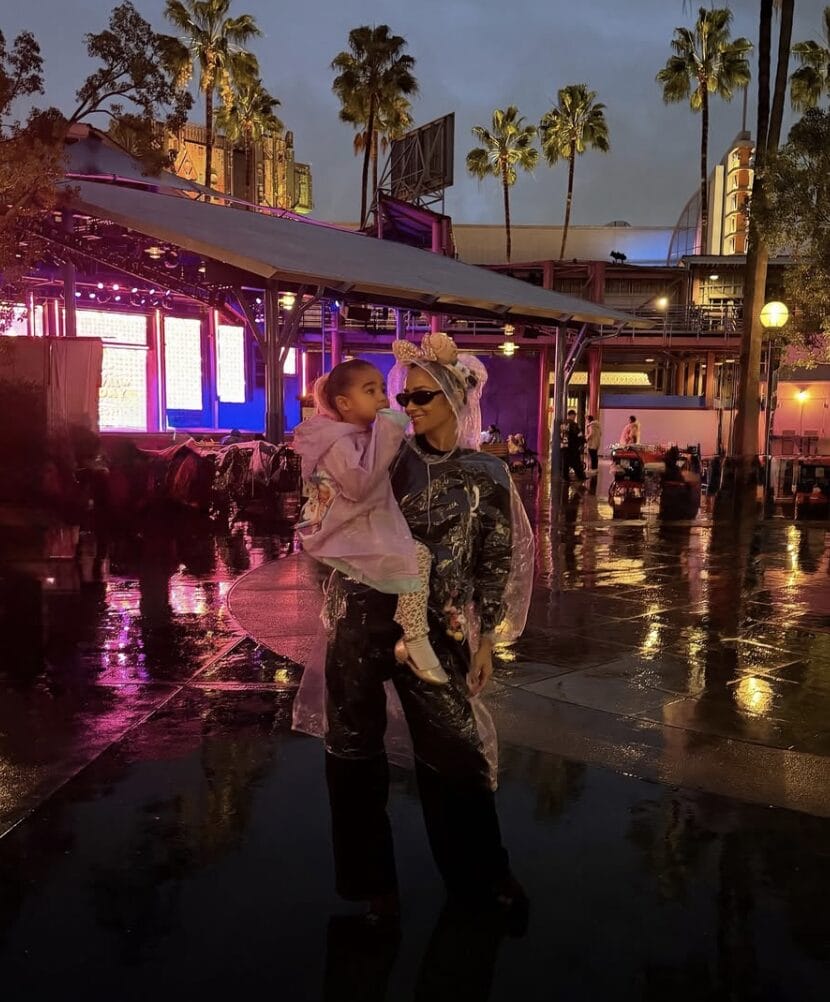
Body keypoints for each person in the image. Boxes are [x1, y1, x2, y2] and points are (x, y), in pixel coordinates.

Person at [293, 332, 534, 928]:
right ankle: (372, 888)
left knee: (456, 752)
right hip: (357, 621)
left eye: (423, 396)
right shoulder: (383, 454)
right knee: (352, 753)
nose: (407, 406)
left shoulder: (486, 473)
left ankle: (484, 874)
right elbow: (325, 504)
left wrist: (486, 639)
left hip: (437, 629)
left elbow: (495, 560)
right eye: (404, 395)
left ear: (458, 398)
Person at [293, 359, 446, 685]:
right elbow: (359, 485)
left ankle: (412, 637)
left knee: (414, 556)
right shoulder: (337, 441)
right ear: (344, 404)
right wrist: (389, 432)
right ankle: (415, 637)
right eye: (370, 390)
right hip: (344, 529)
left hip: (358, 522)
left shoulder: (357, 435)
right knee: (416, 556)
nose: (381, 397)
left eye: (382, 389)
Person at [561, 408, 587, 480]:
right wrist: (583, 441)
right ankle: (581, 476)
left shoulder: (563, 424)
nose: (574, 417)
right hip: (573, 447)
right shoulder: (574, 424)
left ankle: (565, 477)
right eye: (574, 416)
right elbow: (579, 434)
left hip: (564, 446)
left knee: (566, 463)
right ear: (572, 415)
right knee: (576, 462)